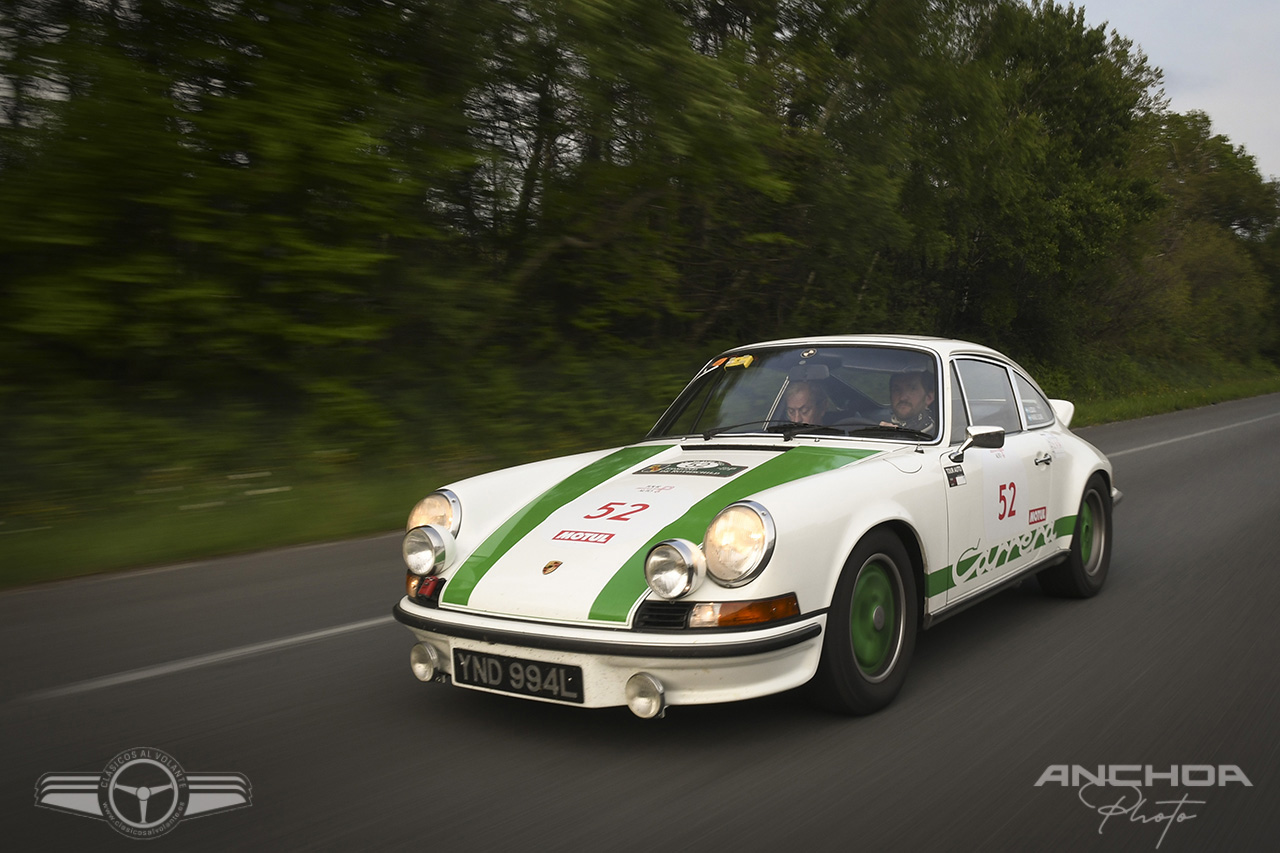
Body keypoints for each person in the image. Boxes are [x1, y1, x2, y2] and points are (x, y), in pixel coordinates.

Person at [882, 370, 936, 435]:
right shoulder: (875, 430)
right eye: (897, 389)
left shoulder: (937, 436)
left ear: (929, 398)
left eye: (912, 389)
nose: (903, 397)